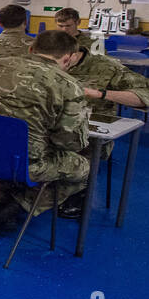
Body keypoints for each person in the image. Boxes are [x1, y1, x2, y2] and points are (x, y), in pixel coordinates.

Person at [0, 30, 90, 233]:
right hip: (26, 163)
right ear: (68, 58)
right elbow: (69, 142)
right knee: (82, 167)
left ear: (31, 49)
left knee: (7, 154)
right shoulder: (69, 85)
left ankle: (4, 201)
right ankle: (17, 205)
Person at [62, 40, 149, 215]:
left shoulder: (105, 66)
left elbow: (144, 95)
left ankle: (74, 191)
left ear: (70, 56)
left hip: (89, 135)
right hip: (54, 130)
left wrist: (101, 94)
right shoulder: (42, 63)